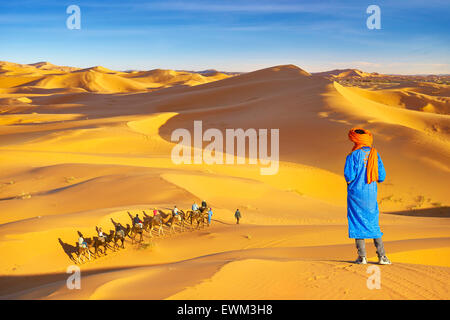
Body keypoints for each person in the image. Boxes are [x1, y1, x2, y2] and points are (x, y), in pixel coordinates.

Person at [345, 128, 391, 265]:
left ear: (355, 139)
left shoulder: (352, 155)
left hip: (355, 193)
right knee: (373, 223)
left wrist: (351, 183)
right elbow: (381, 176)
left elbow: (349, 175)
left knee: (356, 221)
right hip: (371, 194)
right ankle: (382, 256)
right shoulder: (375, 154)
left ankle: (362, 257)